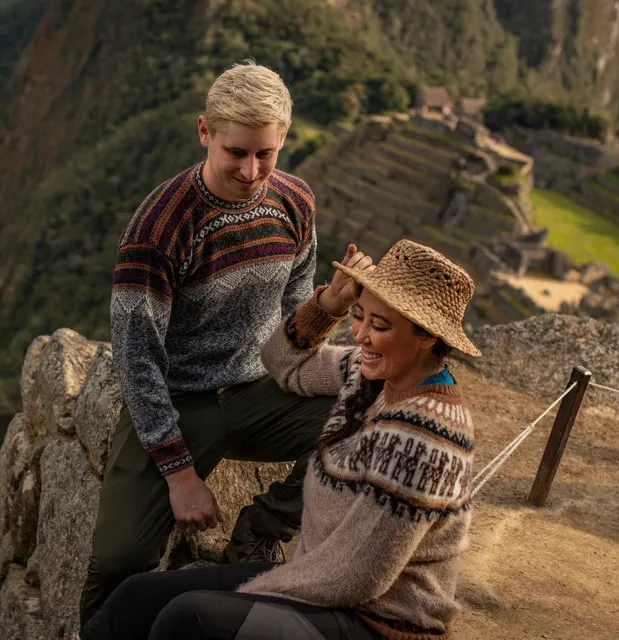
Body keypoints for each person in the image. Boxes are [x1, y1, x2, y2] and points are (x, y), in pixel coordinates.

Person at [77, 239, 481, 640]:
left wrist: (257, 593)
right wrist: (328, 308)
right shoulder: (369, 374)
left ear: (426, 337)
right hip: (318, 579)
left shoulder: (424, 439)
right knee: (136, 597)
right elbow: (283, 363)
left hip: (377, 621)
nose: (360, 335)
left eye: (379, 326)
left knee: (189, 618)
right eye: (360, 317)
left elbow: (361, 579)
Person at [79, 60, 338, 625]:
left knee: (366, 419)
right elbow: (137, 358)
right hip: (180, 400)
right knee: (121, 559)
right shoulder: (160, 226)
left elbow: (292, 316)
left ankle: (261, 530)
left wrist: (327, 310)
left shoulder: (295, 203)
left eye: (265, 153)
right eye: (236, 152)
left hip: (260, 388)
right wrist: (180, 476)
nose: (250, 170)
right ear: (205, 133)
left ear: (283, 141)